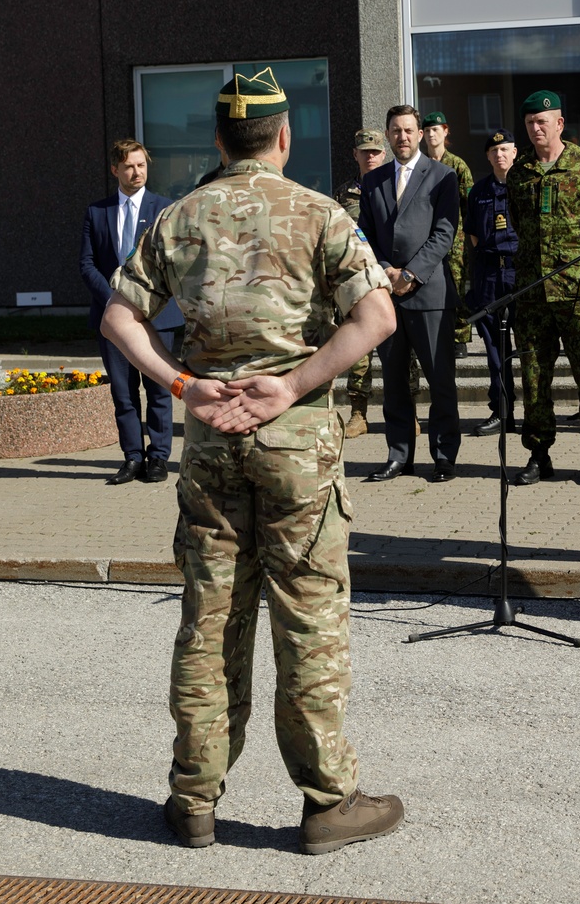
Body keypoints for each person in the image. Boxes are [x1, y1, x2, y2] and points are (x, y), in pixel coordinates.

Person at [100, 69, 402, 855]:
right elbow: (377, 314)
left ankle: (194, 799)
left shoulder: (180, 216)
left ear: (217, 140)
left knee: (210, 616)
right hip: (296, 444)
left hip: (210, 448)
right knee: (309, 618)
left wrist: (183, 385)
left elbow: (118, 314)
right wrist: (294, 384)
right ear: (283, 137)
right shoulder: (319, 213)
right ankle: (329, 803)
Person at [507, 90, 580, 486]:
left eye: (543, 121)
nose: (536, 128)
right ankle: (539, 455)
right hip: (533, 294)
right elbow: (520, 225)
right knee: (534, 378)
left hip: (577, 294)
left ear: (559, 124)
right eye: (530, 123)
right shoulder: (518, 174)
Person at [359, 104, 461, 481]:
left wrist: (413, 273)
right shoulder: (373, 181)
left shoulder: (443, 176)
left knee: (440, 379)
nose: (402, 136)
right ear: (387, 136)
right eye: (395, 130)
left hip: (430, 293)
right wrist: (387, 269)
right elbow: (364, 234)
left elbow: (444, 234)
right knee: (394, 381)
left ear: (420, 134)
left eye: (408, 130)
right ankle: (399, 455)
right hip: (387, 293)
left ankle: (445, 455)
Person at [79, 139, 183, 485]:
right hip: (112, 319)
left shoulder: (164, 210)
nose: (136, 172)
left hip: (158, 317)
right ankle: (132, 458)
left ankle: (158, 458)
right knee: (122, 393)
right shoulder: (97, 212)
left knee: (158, 389)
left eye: (141, 165)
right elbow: (88, 263)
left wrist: (141, 301)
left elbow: (174, 263)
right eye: (129, 166)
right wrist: (114, 301)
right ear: (115, 170)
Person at [335, 128, 419, 438]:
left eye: (375, 151)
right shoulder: (343, 195)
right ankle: (358, 413)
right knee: (358, 350)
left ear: (383, 154)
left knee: (402, 349)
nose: (370, 156)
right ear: (355, 155)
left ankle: (407, 411)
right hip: (358, 281)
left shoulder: (396, 186)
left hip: (394, 277)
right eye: (364, 152)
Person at [464, 129, 519, 437]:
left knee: (529, 350)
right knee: (495, 350)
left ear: (514, 153)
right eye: (494, 151)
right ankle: (502, 412)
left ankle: (538, 415)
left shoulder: (525, 186)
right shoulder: (479, 191)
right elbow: (473, 234)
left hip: (518, 274)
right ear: (488, 156)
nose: (500, 155)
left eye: (506, 150)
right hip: (489, 277)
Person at [421, 111, 474, 356]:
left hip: (455, 237)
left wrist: (471, 236)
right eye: (428, 130)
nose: (432, 134)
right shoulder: (420, 165)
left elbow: (469, 203)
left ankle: (460, 336)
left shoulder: (457, 165)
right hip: (425, 236)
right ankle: (436, 333)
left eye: (436, 129)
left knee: (457, 284)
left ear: (445, 131)